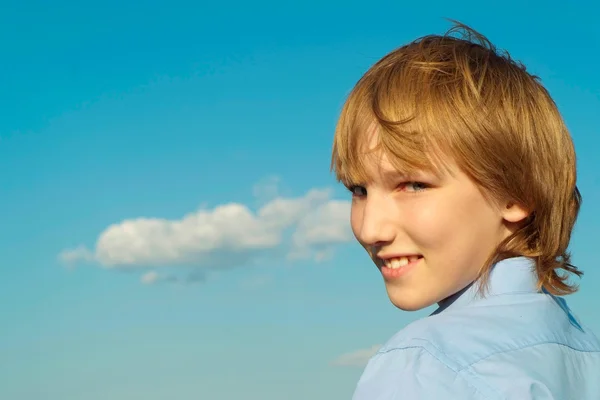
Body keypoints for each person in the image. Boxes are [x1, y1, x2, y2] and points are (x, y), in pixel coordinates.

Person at [331, 21, 600, 399]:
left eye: (413, 185)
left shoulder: (425, 367)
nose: (370, 229)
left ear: (514, 192)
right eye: (358, 190)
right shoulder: (584, 354)